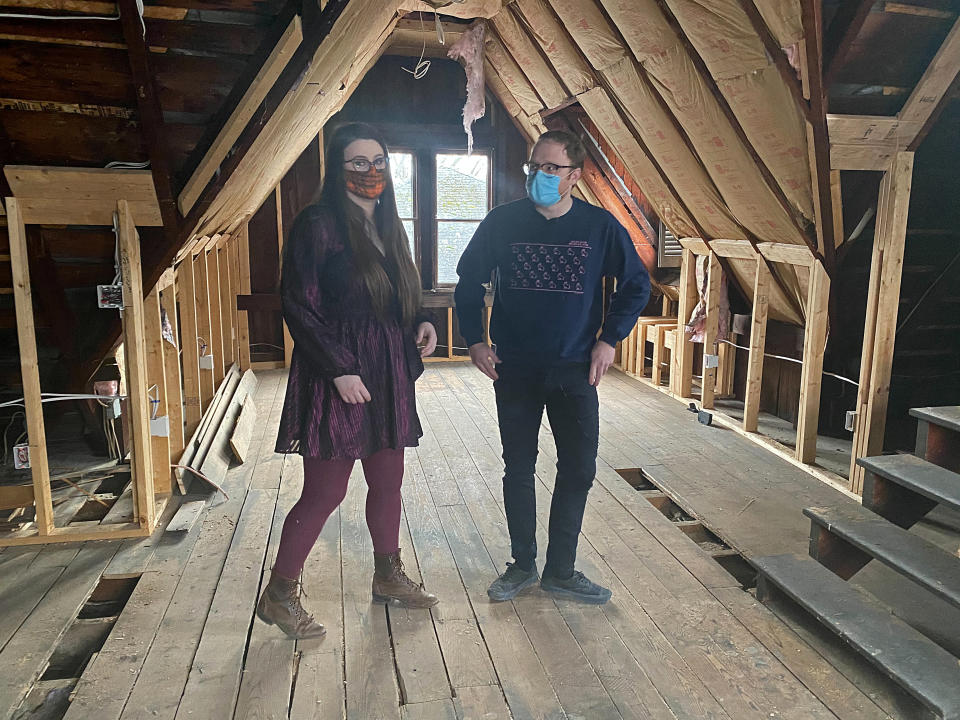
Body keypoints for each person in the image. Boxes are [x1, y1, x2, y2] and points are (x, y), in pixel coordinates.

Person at [257, 123, 440, 640]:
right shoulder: (317, 224)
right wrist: (339, 368)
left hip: (387, 373)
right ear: (337, 170)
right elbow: (299, 303)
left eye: (377, 161)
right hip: (335, 375)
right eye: (357, 162)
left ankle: (388, 575)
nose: (369, 171)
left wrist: (420, 317)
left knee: (388, 482)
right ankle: (279, 594)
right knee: (325, 492)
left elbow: (400, 287)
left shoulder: (389, 223)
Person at [454, 130, 650, 605]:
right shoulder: (502, 223)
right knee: (518, 466)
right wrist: (476, 342)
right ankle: (522, 565)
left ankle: (561, 570)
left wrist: (609, 340)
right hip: (514, 367)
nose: (538, 175)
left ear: (574, 176)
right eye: (533, 166)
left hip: (575, 369)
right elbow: (468, 281)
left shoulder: (599, 227)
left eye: (550, 168)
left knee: (578, 468)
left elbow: (636, 284)